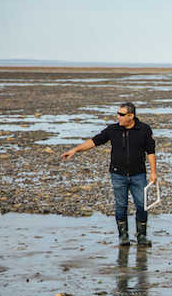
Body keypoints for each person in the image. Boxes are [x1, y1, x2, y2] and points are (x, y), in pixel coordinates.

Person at [62, 102, 157, 247]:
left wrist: (153, 172)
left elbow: (150, 151)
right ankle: (123, 237)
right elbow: (94, 141)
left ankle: (142, 236)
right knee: (121, 205)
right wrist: (75, 150)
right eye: (118, 114)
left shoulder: (144, 129)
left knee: (142, 205)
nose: (118, 117)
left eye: (121, 114)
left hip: (139, 175)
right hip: (118, 175)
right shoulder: (113, 130)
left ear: (131, 116)